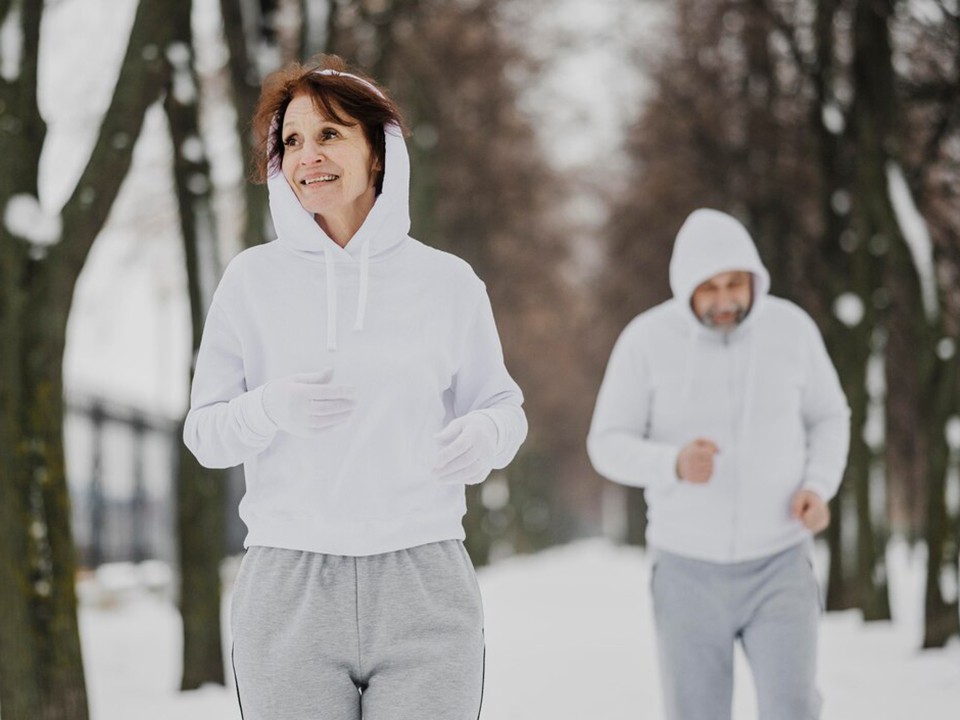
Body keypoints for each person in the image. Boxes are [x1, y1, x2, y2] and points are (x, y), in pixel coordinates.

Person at [183, 55, 527, 720]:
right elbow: (205, 435)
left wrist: (486, 433)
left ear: (380, 153)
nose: (307, 155)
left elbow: (503, 406)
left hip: (424, 578)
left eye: (330, 133)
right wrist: (268, 408)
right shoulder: (251, 282)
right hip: (290, 585)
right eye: (292, 140)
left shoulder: (447, 283)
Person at [587, 208, 850, 720]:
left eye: (736, 284)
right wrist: (673, 464)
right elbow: (606, 442)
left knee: (793, 708)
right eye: (709, 288)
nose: (726, 300)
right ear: (686, 287)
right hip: (686, 570)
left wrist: (818, 486)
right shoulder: (646, 341)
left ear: (755, 278)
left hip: (780, 562)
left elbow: (830, 416)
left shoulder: (792, 330)